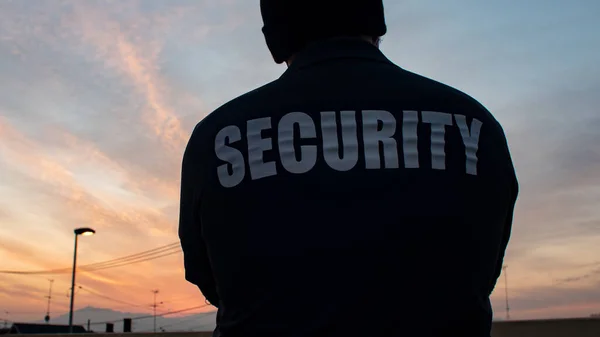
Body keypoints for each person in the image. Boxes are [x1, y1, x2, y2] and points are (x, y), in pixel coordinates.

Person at [179, 0, 519, 336]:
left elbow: (206, 275)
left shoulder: (217, 136)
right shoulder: (474, 123)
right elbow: (484, 268)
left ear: (276, 37)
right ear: (375, 21)